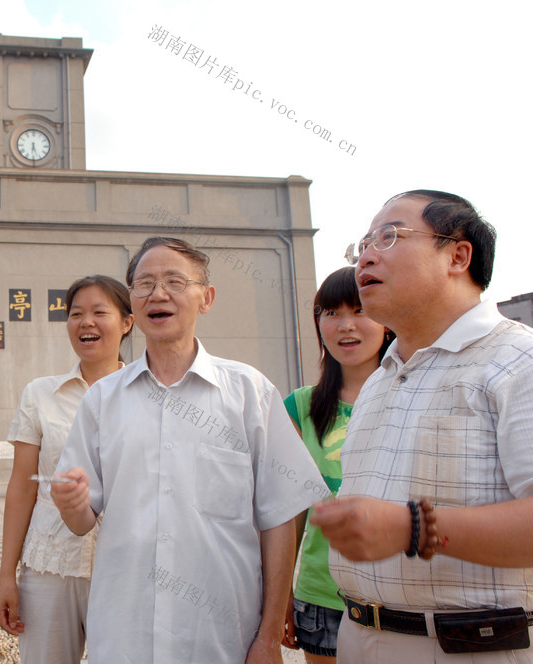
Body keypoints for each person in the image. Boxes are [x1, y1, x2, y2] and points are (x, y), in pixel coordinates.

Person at [51, 236, 327, 664]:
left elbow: (280, 518)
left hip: (219, 637)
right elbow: (81, 522)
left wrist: (269, 636)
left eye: (174, 281)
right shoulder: (102, 400)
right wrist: (70, 502)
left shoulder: (249, 393)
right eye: (144, 284)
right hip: (125, 635)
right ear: (133, 303)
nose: (157, 294)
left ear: (206, 297)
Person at [310, 190, 533, 663]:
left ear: (458, 255)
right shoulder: (379, 379)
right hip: (358, 637)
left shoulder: (518, 361)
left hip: (467, 646)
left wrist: (413, 528)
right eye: (363, 244)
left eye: (389, 236)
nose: (365, 256)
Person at [0, 275, 134, 664]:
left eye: (99, 312)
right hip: (50, 568)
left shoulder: (147, 393)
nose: (85, 322)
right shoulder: (40, 394)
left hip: (127, 569)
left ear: (127, 322)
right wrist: (7, 575)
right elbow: (22, 487)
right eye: (76, 314)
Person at [282, 267, 393, 663]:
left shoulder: (412, 394)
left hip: (400, 594)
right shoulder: (300, 405)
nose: (345, 326)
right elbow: (289, 510)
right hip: (322, 595)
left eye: (359, 310)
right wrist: (281, 595)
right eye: (330, 313)